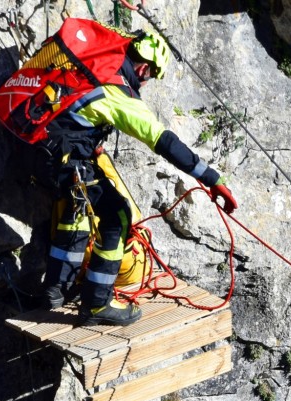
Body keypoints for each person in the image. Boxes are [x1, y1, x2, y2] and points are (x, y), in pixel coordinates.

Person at [39, 29, 238, 326]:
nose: (144, 84)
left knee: (77, 209)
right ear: (144, 68)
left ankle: (57, 290)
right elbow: (164, 141)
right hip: (66, 156)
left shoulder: (91, 67)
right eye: (149, 77)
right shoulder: (118, 92)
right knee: (116, 215)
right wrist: (211, 178)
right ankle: (97, 304)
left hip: (40, 146)